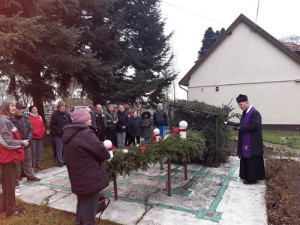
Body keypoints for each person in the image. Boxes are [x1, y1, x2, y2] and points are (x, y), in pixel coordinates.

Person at [62, 109, 110, 225]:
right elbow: (101, 151)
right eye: (89, 117)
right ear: (84, 120)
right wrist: (106, 154)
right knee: (90, 206)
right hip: (89, 176)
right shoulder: (85, 134)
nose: (91, 119)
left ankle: (79, 222)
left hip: (78, 175)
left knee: (82, 202)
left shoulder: (69, 133)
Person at [0, 99, 29, 216]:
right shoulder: (3, 121)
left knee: (7, 182)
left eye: (14, 105)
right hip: (7, 157)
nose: (14, 108)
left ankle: (4, 206)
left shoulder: (5, 119)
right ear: (6, 107)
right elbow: (7, 141)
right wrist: (22, 143)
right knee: (10, 183)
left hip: (6, 156)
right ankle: (11, 209)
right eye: (12, 106)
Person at [234, 94, 265, 184]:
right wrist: (237, 127)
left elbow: (255, 126)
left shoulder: (255, 113)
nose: (239, 107)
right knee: (246, 159)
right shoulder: (245, 113)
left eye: (241, 104)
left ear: (246, 103)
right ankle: (246, 176)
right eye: (239, 105)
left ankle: (252, 179)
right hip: (247, 141)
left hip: (253, 142)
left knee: (252, 160)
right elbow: (243, 125)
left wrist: (241, 128)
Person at [12, 103, 40, 182]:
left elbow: (31, 129)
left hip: (27, 143)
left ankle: (30, 176)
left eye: (22, 109)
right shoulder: (11, 119)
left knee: (28, 160)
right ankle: (16, 178)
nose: (21, 110)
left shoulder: (26, 119)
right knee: (16, 163)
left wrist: (28, 139)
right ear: (15, 109)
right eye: (19, 108)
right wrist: (18, 142)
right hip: (16, 144)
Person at [50, 100, 72, 167]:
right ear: (58, 107)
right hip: (58, 135)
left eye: (64, 106)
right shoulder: (55, 114)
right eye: (62, 106)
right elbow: (52, 125)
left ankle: (65, 160)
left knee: (65, 148)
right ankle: (60, 161)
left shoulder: (67, 114)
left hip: (66, 134)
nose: (63, 108)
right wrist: (58, 131)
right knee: (59, 149)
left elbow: (70, 122)